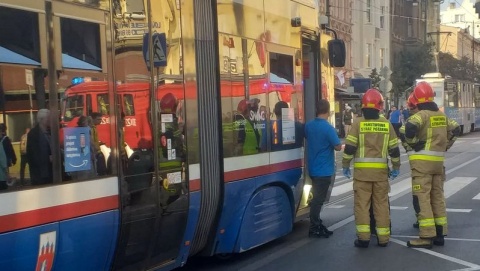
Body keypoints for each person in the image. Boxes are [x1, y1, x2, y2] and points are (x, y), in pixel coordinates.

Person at [404, 82, 460, 248]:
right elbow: (455, 129)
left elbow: (410, 127)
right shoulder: (441, 115)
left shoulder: (422, 115)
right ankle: (440, 233)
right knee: (437, 198)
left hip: (422, 166)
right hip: (438, 165)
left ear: (418, 99)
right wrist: (446, 145)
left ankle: (426, 236)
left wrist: (414, 143)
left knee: (423, 200)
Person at [342, 89, 401, 248]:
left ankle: (363, 238)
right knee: (381, 205)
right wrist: (396, 167)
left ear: (363, 106)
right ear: (379, 106)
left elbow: (349, 148)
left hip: (362, 176)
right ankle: (383, 239)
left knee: (362, 206)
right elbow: (394, 150)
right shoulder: (386, 124)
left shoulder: (358, 123)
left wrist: (345, 165)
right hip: (381, 175)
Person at [305, 99, 342, 238]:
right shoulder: (328, 128)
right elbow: (338, 146)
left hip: (313, 168)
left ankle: (317, 223)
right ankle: (314, 227)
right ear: (328, 111)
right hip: (324, 170)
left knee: (316, 197)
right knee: (318, 200)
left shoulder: (309, 125)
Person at [27, 109, 53, 185]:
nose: (50, 120)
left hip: (50, 173)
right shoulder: (33, 134)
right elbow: (33, 154)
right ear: (41, 119)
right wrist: (48, 158)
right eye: (48, 118)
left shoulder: (50, 132)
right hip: (40, 175)